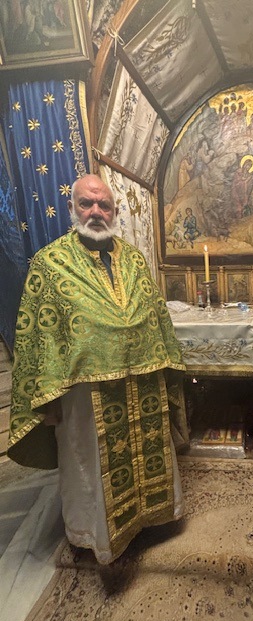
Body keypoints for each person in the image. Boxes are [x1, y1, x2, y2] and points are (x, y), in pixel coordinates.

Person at [8, 174, 188, 564]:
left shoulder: (134, 258)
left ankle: (150, 519)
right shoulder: (50, 263)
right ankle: (94, 535)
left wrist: (167, 366)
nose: (95, 212)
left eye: (103, 205)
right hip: (83, 396)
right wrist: (45, 397)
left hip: (143, 382)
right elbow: (36, 336)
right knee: (90, 465)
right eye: (86, 203)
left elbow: (155, 315)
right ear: (71, 208)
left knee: (146, 453)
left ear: (115, 210)